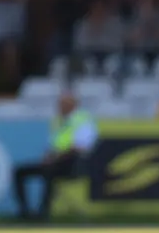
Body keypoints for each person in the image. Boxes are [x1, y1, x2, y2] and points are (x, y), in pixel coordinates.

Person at [13, 94, 97, 222]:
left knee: (49, 172)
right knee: (19, 171)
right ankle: (24, 212)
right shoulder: (61, 121)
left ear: (72, 105)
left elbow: (80, 147)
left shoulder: (83, 120)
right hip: (56, 161)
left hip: (73, 164)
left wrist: (55, 157)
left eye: (63, 105)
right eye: (60, 105)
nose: (60, 108)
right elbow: (55, 145)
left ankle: (43, 212)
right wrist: (48, 156)